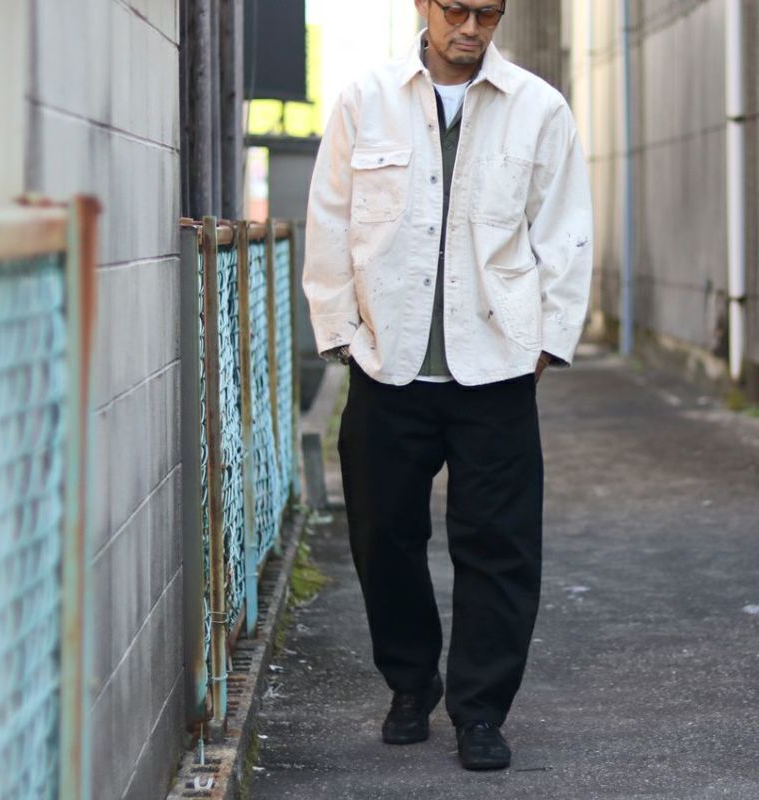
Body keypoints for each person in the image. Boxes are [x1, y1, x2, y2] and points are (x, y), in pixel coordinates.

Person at [302, 0, 592, 771]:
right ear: (423, 6)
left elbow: (565, 232)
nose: (470, 27)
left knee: (499, 547)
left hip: (495, 369)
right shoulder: (366, 100)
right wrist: (341, 333)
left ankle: (481, 710)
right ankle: (409, 684)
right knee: (382, 538)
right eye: (456, 9)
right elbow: (330, 220)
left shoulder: (539, 109)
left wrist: (546, 344)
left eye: (487, 13)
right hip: (387, 366)